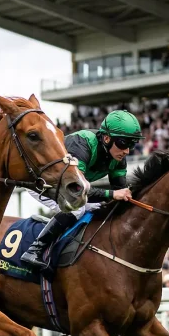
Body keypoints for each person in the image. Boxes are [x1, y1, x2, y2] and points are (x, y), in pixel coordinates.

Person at [20, 110, 142, 269]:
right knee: (77, 209)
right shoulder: (82, 145)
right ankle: (34, 249)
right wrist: (112, 194)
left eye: (132, 144)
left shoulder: (118, 158)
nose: (127, 150)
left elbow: (120, 192)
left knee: (99, 207)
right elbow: (77, 190)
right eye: (123, 143)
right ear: (106, 138)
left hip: (71, 188)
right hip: (45, 184)